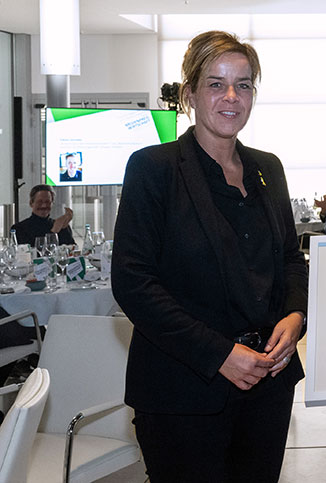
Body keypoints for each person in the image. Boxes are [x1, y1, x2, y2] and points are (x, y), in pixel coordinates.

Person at [111, 31, 308, 483]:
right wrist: (220, 354)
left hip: (267, 384)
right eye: (216, 84)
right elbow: (132, 282)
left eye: (243, 84)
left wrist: (295, 314)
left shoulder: (268, 168)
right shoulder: (153, 169)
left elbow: (289, 259)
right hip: (184, 391)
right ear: (190, 94)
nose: (231, 97)